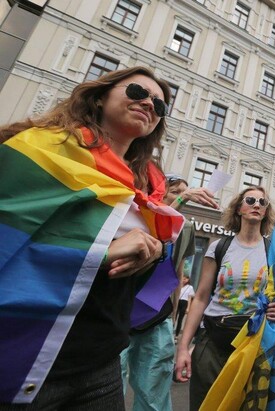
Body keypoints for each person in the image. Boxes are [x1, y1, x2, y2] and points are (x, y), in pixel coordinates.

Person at [0, 66, 185, 408]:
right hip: (27, 356)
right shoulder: (42, 147)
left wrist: (154, 249)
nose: (148, 104)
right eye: (137, 93)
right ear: (100, 98)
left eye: (159, 106)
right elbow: (8, 237)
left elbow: (139, 265)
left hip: (103, 360)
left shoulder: (145, 186)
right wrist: (101, 253)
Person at [173, 186, 275, 411]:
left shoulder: (272, 251)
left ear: (265, 212)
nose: (256, 205)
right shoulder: (219, 247)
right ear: (239, 209)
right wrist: (184, 347)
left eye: (262, 203)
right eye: (250, 200)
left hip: (252, 344)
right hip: (213, 341)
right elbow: (201, 298)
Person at [119, 174, 215, 411]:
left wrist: (172, 315)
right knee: (111, 386)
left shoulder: (187, 227)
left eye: (184, 190)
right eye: (174, 191)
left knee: (154, 394)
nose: (182, 193)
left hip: (157, 316)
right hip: (120, 313)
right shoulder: (136, 216)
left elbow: (178, 267)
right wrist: (181, 200)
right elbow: (157, 231)